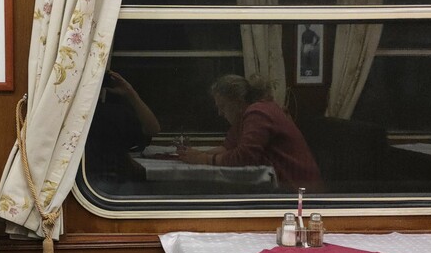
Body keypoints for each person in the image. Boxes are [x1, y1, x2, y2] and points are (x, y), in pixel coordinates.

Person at [178, 74, 323, 191]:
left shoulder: (258, 113)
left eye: (223, 106)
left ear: (238, 101)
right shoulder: (243, 117)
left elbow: (243, 158)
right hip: (285, 185)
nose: (220, 113)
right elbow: (227, 147)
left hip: (300, 190)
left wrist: (204, 159)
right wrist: (195, 154)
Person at [85, 71, 161, 181]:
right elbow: (153, 129)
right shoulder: (112, 114)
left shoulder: (114, 114)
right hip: (108, 178)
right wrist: (130, 92)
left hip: (106, 178)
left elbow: (153, 129)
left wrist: (129, 93)